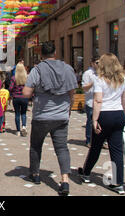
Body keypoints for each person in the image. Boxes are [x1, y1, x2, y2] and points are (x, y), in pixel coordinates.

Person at [23, 41, 78, 196]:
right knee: (62, 148)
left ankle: (35, 175)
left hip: (41, 115)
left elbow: (26, 93)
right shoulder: (68, 69)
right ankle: (65, 180)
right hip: (61, 115)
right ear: (55, 53)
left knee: (36, 145)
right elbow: (72, 93)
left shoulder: (37, 70)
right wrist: (68, 108)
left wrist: (36, 92)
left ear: (42, 55)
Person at [78, 53, 125, 195]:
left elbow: (98, 101)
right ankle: (118, 183)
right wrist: (124, 115)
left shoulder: (100, 80)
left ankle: (86, 173)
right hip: (118, 113)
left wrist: (94, 120)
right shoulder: (123, 79)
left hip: (104, 115)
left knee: (96, 146)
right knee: (117, 150)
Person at [81, 57, 100, 147]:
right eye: (97, 62)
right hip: (91, 101)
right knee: (90, 122)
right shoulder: (87, 74)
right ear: (92, 63)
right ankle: (89, 140)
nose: (98, 64)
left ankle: (101, 141)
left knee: (100, 122)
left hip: (100, 102)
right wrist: (93, 83)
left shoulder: (102, 73)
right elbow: (84, 88)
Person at [9, 63, 29, 137]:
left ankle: (18, 130)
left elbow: (10, 88)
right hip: (24, 97)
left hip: (16, 97)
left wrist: (11, 93)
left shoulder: (14, 78)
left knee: (17, 113)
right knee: (23, 113)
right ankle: (23, 126)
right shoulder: (26, 77)